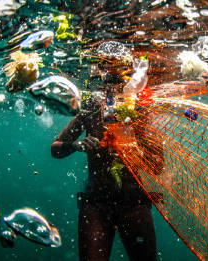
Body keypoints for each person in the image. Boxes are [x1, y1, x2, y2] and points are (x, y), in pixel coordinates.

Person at [51, 76, 157, 260]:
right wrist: (76, 145)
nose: (112, 96)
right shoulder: (91, 110)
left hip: (133, 202)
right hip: (96, 202)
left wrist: (135, 148)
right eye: (108, 89)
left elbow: (157, 165)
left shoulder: (139, 113)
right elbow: (56, 148)